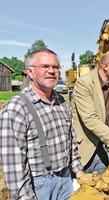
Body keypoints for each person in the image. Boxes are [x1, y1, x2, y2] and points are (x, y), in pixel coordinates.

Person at [0, 49, 84, 200]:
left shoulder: (61, 102)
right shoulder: (17, 108)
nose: (52, 71)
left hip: (65, 178)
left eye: (56, 67)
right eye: (45, 66)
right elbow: (14, 166)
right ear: (30, 72)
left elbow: (71, 141)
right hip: (37, 184)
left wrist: (78, 170)